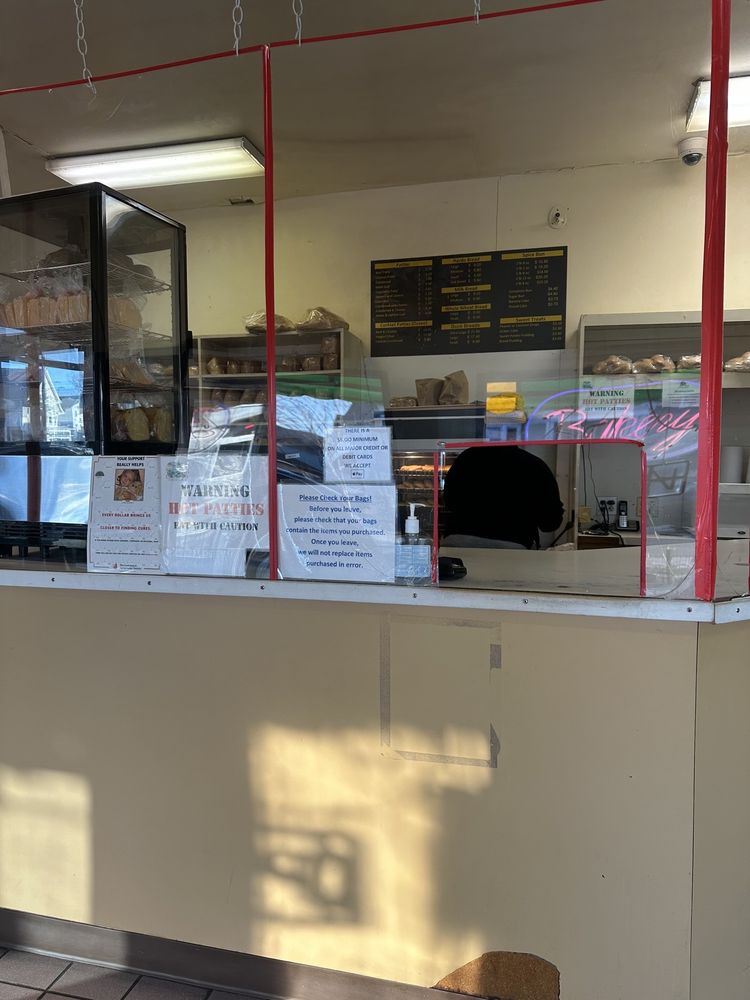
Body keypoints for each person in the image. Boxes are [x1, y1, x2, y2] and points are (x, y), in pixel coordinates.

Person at [442, 445, 564, 550]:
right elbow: (550, 523)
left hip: (458, 540)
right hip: (514, 546)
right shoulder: (535, 465)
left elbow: (448, 501)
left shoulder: (466, 458)